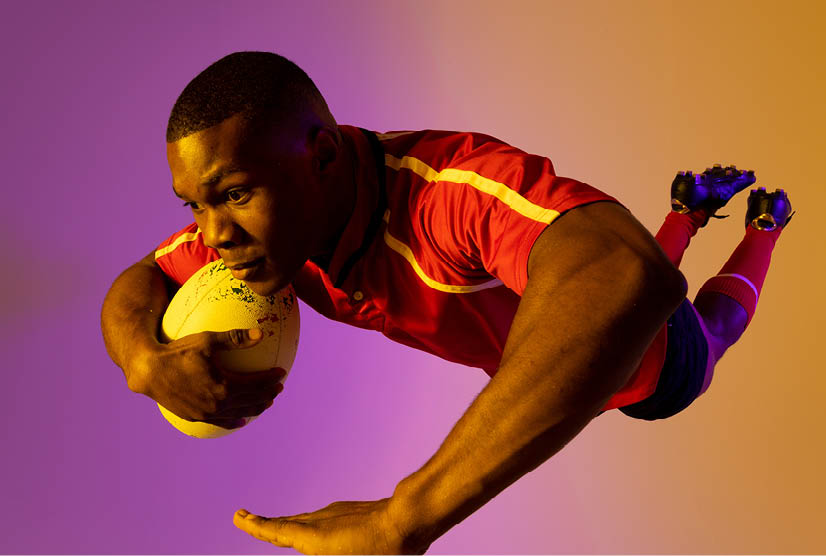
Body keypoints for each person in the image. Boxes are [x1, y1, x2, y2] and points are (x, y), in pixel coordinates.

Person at [100, 51, 794, 555]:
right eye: (195, 204)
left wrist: (406, 516)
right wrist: (141, 358)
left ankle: (765, 228)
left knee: (713, 329)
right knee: (630, 272)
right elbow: (139, 281)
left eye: (234, 194)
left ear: (322, 158)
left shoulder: (447, 191)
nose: (211, 233)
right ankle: (686, 216)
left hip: (648, 359)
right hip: (563, 336)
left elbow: (622, 276)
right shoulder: (262, 241)